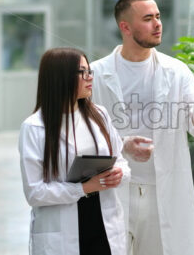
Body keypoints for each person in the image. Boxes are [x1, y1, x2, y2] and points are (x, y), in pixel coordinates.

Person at [90, 0, 194, 255]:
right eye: (147, 19)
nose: (158, 24)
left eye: (158, 16)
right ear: (125, 27)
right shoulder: (96, 74)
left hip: (163, 190)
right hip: (112, 189)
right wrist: (123, 146)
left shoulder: (176, 71)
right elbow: (80, 134)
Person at [19, 47, 131, 255]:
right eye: (82, 72)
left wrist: (119, 173)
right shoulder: (34, 128)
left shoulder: (100, 115)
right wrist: (84, 188)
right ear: (60, 77)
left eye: (90, 71)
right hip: (62, 233)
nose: (90, 77)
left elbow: (121, 160)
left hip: (104, 227)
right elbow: (34, 193)